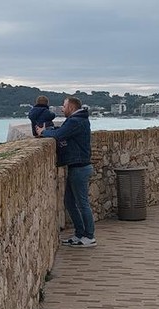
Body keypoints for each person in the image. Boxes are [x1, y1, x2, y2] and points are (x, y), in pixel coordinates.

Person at [35, 96, 96, 248]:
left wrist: (43, 132)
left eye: (64, 106)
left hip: (80, 167)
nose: (62, 109)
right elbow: (61, 130)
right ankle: (80, 234)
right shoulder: (78, 120)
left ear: (72, 107)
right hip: (76, 166)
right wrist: (49, 130)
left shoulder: (76, 121)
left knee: (82, 203)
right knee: (69, 202)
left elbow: (59, 135)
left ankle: (89, 236)